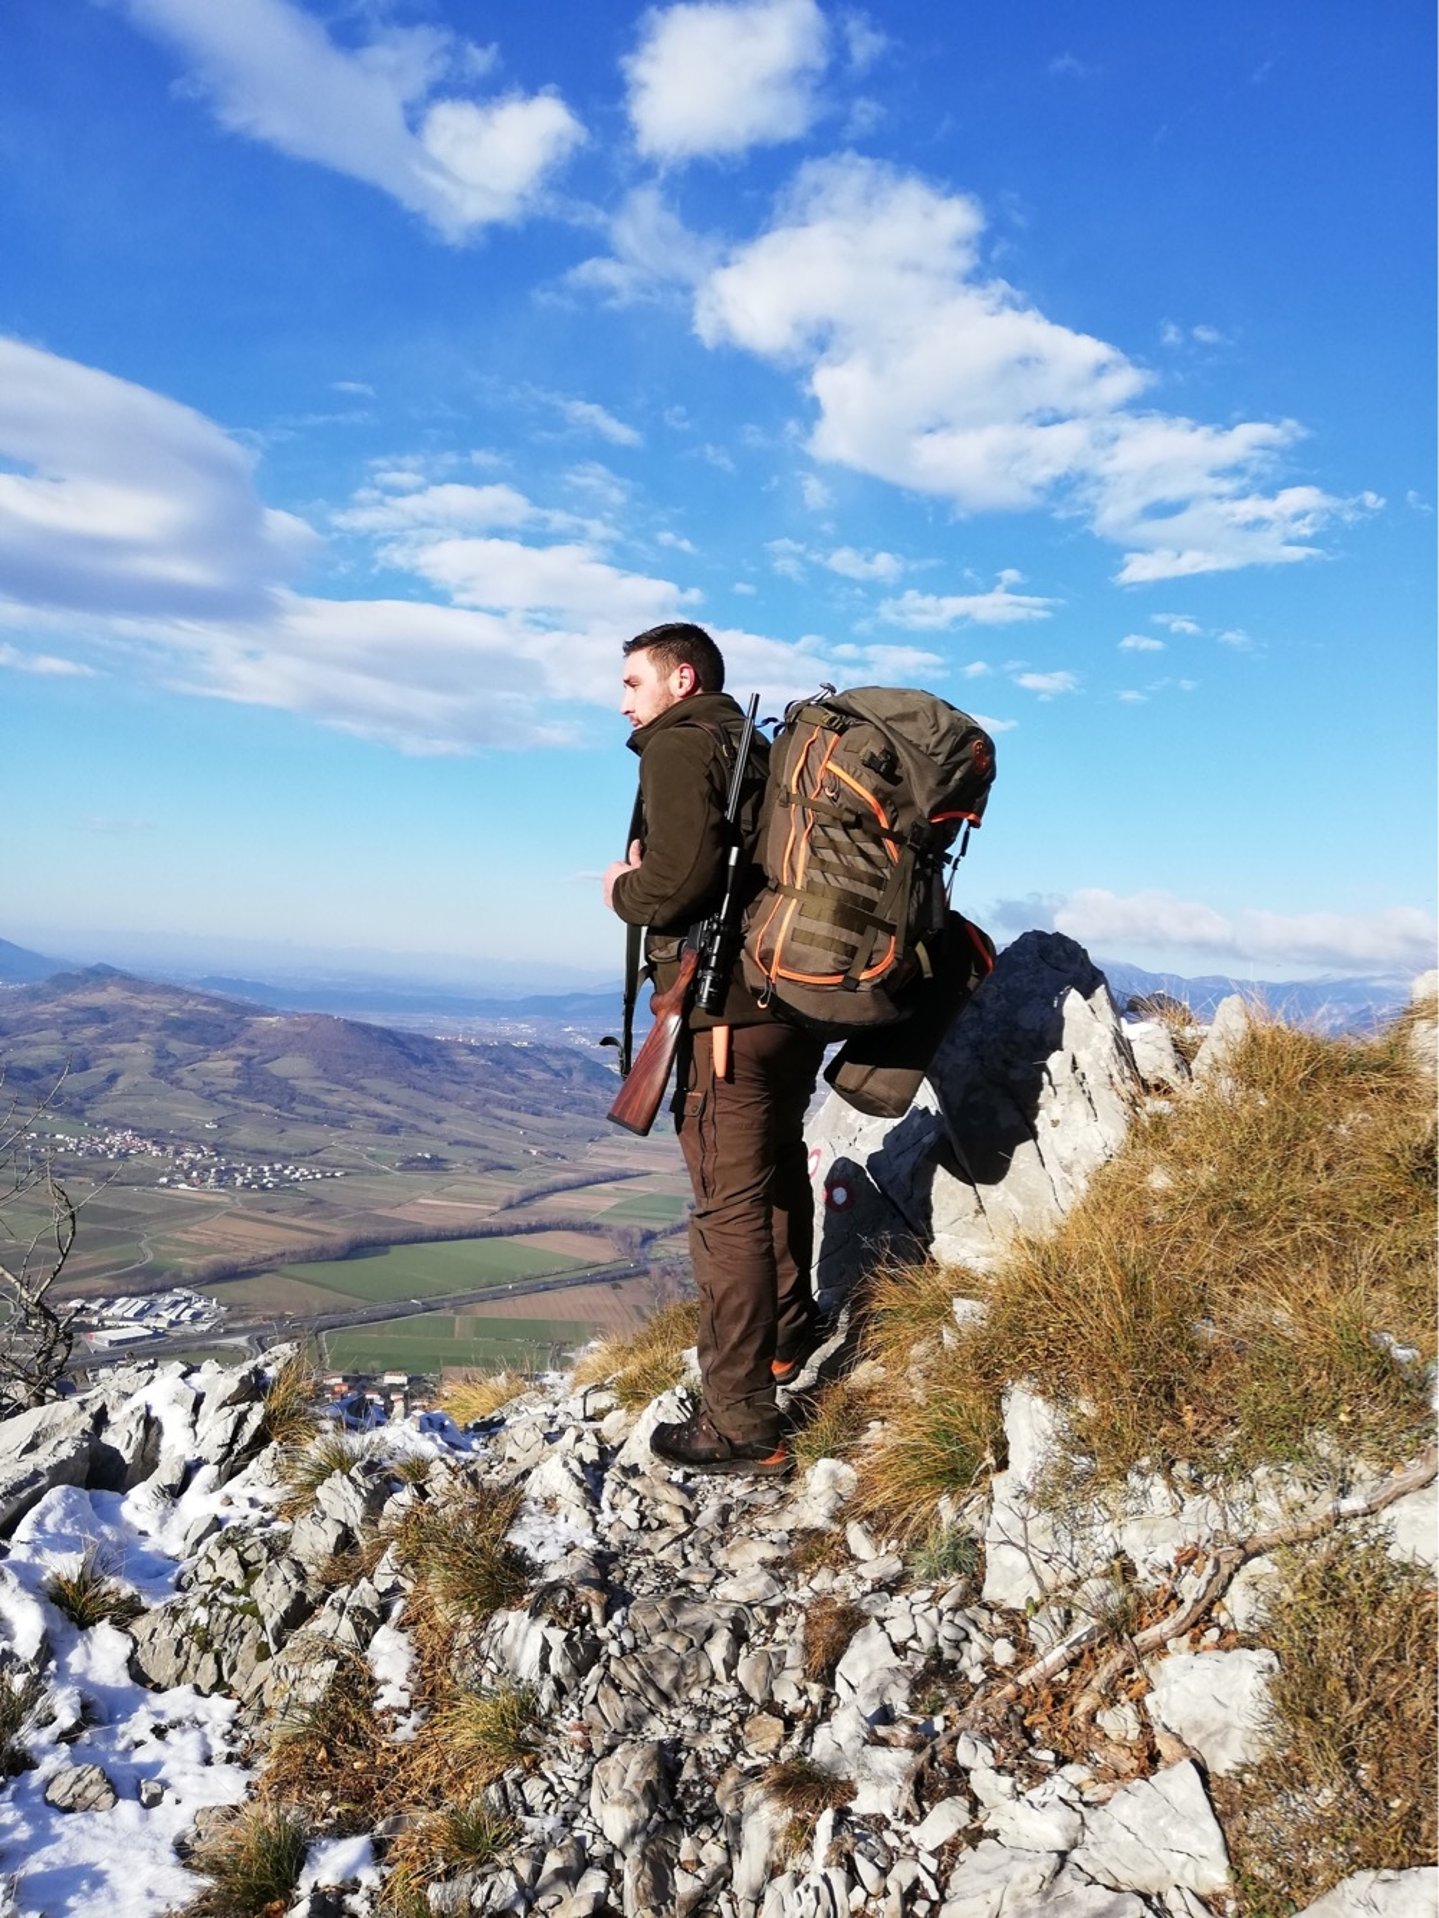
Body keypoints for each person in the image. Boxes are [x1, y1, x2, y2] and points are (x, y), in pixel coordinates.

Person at [603, 622, 824, 1475]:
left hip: (724, 1015)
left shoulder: (679, 747)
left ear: (681, 678)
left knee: (725, 1209)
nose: (622, 700)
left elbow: (678, 884)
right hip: (788, 1005)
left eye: (632, 683)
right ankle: (783, 1339)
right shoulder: (760, 748)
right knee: (768, 1170)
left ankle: (739, 1422)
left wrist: (624, 889)